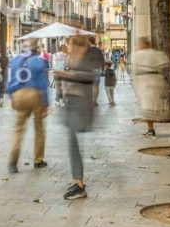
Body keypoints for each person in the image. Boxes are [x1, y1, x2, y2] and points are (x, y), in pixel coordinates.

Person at [54, 35, 95, 200]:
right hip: (74, 107)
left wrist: (67, 76)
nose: (69, 48)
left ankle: (79, 186)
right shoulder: (75, 59)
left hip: (80, 109)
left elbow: (87, 77)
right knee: (73, 144)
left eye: (71, 45)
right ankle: (78, 182)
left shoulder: (84, 60)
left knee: (74, 145)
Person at [7, 38, 49, 173]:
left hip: (18, 94)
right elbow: (43, 84)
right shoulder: (38, 61)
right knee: (39, 129)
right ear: (35, 49)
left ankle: (13, 161)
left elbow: (9, 80)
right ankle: (38, 160)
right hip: (34, 94)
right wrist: (45, 103)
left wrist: (11, 96)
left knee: (18, 129)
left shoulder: (14, 60)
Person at [129, 37, 170, 137]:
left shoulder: (137, 55)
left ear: (144, 44)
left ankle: (151, 129)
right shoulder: (157, 54)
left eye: (138, 44)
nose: (137, 46)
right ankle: (151, 129)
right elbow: (165, 64)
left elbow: (133, 69)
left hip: (146, 83)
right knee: (149, 107)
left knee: (147, 108)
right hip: (153, 81)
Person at [87, 37, 105, 106]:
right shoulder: (99, 50)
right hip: (97, 69)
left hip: (88, 70)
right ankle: (94, 101)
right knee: (96, 86)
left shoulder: (87, 51)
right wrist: (103, 69)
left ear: (89, 42)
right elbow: (102, 60)